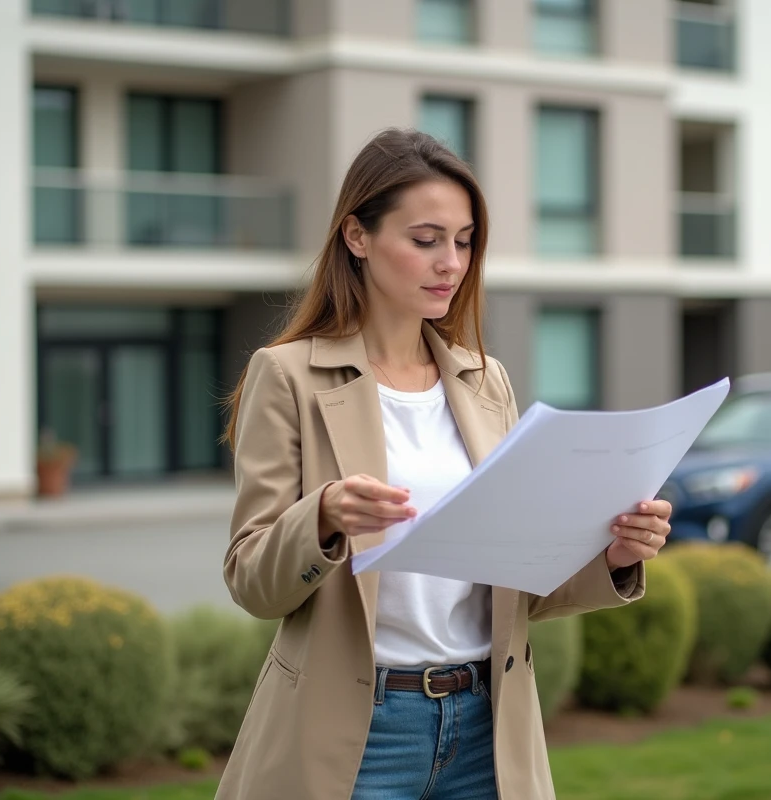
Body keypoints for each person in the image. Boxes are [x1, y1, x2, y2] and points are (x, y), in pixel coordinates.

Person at [216, 128, 672, 800]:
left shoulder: (486, 381)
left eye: (464, 241)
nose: (451, 263)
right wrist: (324, 518)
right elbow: (253, 582)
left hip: (487, 730)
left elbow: (518, 581)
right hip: (357, 735)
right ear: (357, 236)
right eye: (426, 239)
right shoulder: (286, 376)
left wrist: (614, 556)